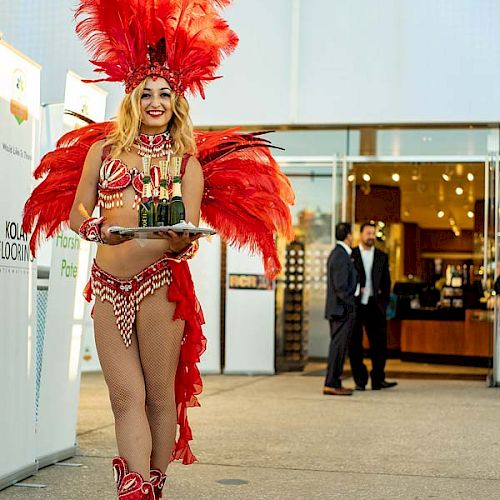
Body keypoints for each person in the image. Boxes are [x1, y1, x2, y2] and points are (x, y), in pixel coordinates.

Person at [22, 1, 294, 498]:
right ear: (131, 97)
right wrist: (95, 230)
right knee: (123, 394)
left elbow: (184, 236)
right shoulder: (100, 151)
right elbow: (76, 212)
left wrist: (181, 241)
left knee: (157, 398)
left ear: (176, 101)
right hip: (106, 286)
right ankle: (135, 486)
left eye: (164, 93)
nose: (154, 101)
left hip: (159, 287)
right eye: (146, 92)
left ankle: (153, 484)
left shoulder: (186, 162)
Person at [349, 222, 397, 391]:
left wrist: (383, 303)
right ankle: (360, 380)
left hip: (375, 305)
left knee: (379, 344)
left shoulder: (382, 256)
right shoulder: (351, 254)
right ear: (360, 235)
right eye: (368, 233)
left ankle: (378, 379)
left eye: (373, 233)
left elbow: (387, 281)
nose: (371, 236)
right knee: (355, 344)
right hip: (356, 305)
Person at [323, 222, 358, 396]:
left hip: (340, 310)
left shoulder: (341, 254)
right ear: (349, 235)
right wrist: (352, 304)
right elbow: (341, 287)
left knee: (339, 348)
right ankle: (331, 383)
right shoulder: (340, 255)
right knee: (337, 348)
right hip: (341, 311)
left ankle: (334, 381)